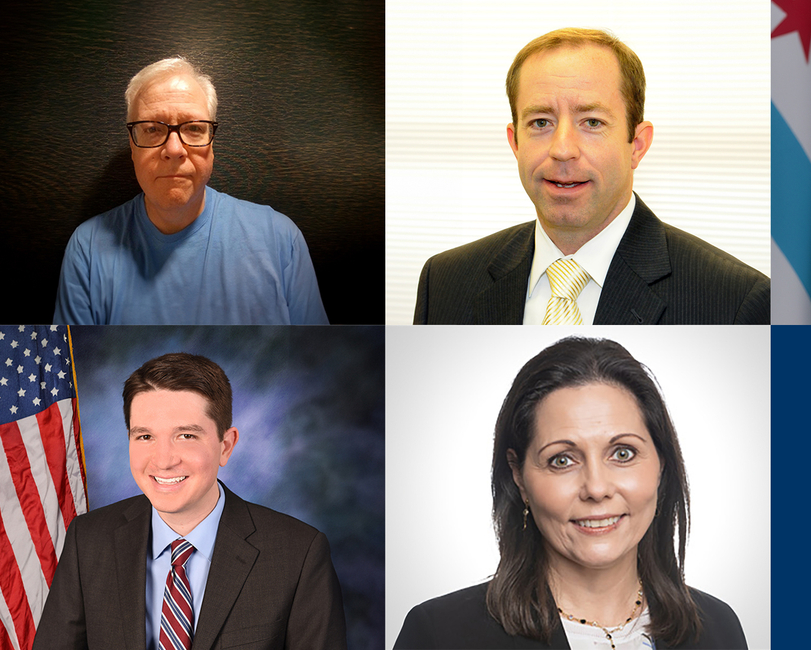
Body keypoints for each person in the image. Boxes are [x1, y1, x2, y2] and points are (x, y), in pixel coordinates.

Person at [394, 337, 746, 649]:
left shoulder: (719, 629)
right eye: (562, 460)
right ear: (518, 476)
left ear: (661, 466)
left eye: (623, 453)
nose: (596, 488)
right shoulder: (439, 634)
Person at [413, 29, 769, 325]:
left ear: (637, 145)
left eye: (592, 122)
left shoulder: (736, 302)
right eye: (541, 122)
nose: (562, 149)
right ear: (515, 142)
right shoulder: (444, 282)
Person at [33, 353, 346, 649]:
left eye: (186, 436)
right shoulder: (88, 540)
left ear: (226, 446)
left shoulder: (298, 554)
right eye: (145, 436)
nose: (163, 460)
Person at [53, 56, 329, 325]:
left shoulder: (281, 241)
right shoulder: (88, 249)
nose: (174, 149)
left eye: (194, 128)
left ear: (212, 144)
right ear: (132, 145)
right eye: (152, 129)